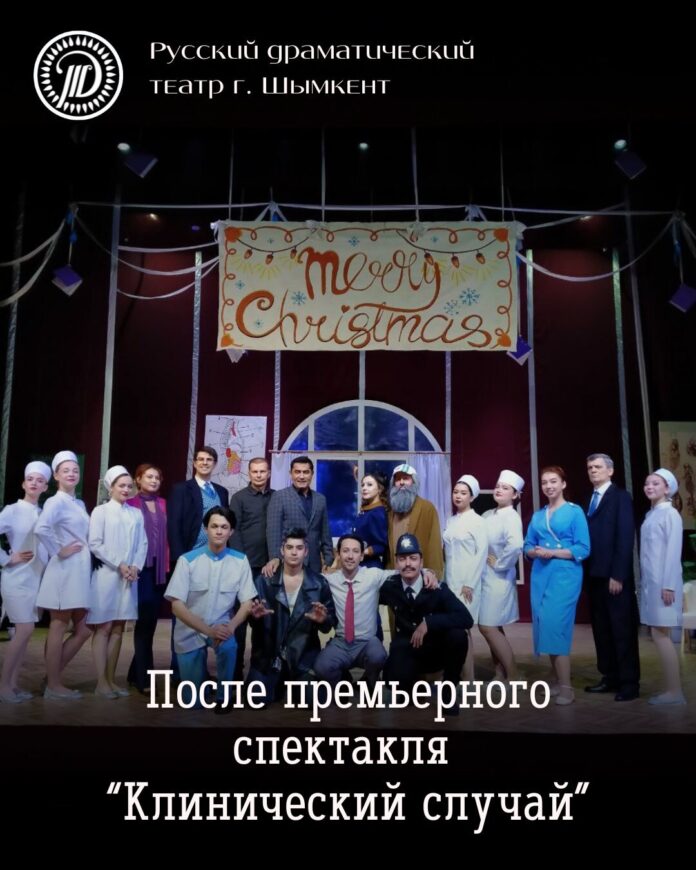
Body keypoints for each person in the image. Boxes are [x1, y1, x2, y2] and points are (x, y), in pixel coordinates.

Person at [314, 534, 439, 688]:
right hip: (341, 641)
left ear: (362, 556)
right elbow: (307, 577)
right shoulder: (330, 580)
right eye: (345, 551)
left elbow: (403, 571)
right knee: (321, 667)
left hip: (367, 641)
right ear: (338, 554)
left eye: (355, 551)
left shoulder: (373, 575)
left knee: (378, 656)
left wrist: (427, 572)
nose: (350, 556)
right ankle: (342, 682)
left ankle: (370, 682)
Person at [165, 506, 256, 712]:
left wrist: (231, 627)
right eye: (214, 526)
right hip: (189, 630)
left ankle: (224, 696)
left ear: (231, 531)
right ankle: (201, 687)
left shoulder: (240, 561)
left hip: (222, 627)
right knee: (193, 704)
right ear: (205, 529)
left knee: (229, 646)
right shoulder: (187, 560)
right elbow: (177, 607)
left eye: (224, 527)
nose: (219, 531)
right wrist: (208, 631)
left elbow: (247, 603)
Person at [379, 534, 472, 710]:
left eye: (413, 558)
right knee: (393, 679)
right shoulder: (390, 587)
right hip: (407, 647)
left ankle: (448, 690)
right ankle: (414, 684)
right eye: (402, 559)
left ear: (421, 562)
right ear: (396, 563)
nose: (408, 563)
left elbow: (466, 618)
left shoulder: (436, 588)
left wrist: (429, 622)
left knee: (458, 636)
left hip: (435, 648)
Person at [524, 466, 590, 706]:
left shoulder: (575, 512)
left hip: (565, 575)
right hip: (541, 574)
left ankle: (566, 688)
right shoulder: (538, 516)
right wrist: (535, 552)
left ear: (563, 484)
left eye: (553, 481)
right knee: (545, 624)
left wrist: (552, 552)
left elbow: (583, 548)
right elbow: (527, 545)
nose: (548, 486)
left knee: (555, 626)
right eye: (544, 482)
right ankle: (556, 679)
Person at [249, 527, 336, 704]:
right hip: (268, 657)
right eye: (289, 547)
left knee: (312, 701)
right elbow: (252, 620)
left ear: (306, 552)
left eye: (299, 548)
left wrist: (323, 620)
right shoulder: (264, 581)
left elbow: (329, 624)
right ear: (282, 550)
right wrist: (255, 617)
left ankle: (292, 683)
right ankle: (278, 682)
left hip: (302, 658)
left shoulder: (319, 583)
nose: (294, 552)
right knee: (255, 700)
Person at [35, 450, 93, 699]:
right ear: (56, 475)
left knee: (84, 628)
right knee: (58, 625)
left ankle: (51, 678)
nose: (71, 474)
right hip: (64, 570)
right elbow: (41, 528)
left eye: (75, 470)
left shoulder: (78, 503)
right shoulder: (55, 501)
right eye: (66, 470)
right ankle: (54, 685)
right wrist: (59, 550)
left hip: (79, 571)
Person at [583, 452, 640, 701]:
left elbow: (625, 537)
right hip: (594, 575)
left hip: (614, 578)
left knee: (622, 629)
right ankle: (609, 676)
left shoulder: (620, 497)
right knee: (602, 630)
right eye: (590, 468)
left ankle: (629, 683)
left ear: (610, 471)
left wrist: (618, 574)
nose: (593, 471)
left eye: (597, 467)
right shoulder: (588, 499)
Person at [87, 466, 147, 698]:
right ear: (110, 487)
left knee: (119, 628)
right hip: (107, 575)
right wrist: (120, 564)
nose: (126, 489)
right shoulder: (100, 511)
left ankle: (111, 680)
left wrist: (135, 567)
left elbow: (142, 544)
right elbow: (95, 543)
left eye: (129, 486)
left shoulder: (136, 513)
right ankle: (101, 682)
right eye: (121, 485)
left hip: (129, 578)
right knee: (103, 627)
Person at [0, 461, 51, 702]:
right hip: (16, 579)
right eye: (30, 479)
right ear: (23, 483)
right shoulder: (12, 510)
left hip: (37, 581)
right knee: (25, 629)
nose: (34, 483)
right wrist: (6, 559)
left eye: (39, 480)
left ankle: (12, 685)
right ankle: (3, 687)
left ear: (45, 487)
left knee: (24, 634)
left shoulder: (44, 514)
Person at [639, 468, 686, 706]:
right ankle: (672, 690)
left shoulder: (671, 514)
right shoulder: (651, 514)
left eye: (656, 483)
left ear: (667, 489)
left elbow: (673, 552)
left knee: (661, 635)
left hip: (664, 586)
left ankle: (675, 692)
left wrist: (668, 585)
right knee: (659, 635)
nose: (650, 487)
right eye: (647, 483)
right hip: (652, 583)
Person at [126, 463, 170, 694]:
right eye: (149, 477)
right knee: (144, 622)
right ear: (138, 479)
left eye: (157, 477)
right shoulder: (130, 504)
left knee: (150, 622)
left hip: (161, 569)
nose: (153, 481)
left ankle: (135, 673)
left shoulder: (164, 504)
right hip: (140, 569)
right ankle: (144, 679)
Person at [229, 456, 273, 679]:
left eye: (262, 471)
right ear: (249, 473)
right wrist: (241, 562)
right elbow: (233, 531)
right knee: (239, 624)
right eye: (255, 471)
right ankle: (235, 673)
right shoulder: (239, 498)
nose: (258, 475)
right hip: (244, 570)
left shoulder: (276, 497)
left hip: (268, 571)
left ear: (268, 473)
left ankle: (258, 674)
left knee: (263, 624)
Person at [479, 469, 525, 681]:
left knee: (487, 626)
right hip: (485, 577)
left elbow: (515, 546)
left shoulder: (511, 517)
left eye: (505, 488)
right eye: (498, 486)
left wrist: (499, 564)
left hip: (499, 578)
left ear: (515, 495)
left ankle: (514, 675)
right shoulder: (488, 514)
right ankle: (500, 672)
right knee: (494, 625)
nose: (499, 490)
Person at [442, 474, 488, 680]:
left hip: (467, 583)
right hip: (450, 581)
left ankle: (469, 679)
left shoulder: (478, 522)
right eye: (455, 492)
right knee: (451, 630)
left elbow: (481, 554)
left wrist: (470, 583)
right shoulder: (451, 520)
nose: (458, 496)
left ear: (472, 497)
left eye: (463, 493)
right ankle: (456, 675)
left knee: (462, 629)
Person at [264, 456, 333, 576]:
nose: (301, 476)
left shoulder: (320, 499)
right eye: (297, 472)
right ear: (291, 473)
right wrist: (275, 557)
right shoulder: (279, 496)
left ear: (312, 474)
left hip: (314, 563)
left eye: (306, 472)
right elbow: (273, 531)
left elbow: (325, 532)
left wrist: (328, 558)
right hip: (288, 561)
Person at [167, 445, 229, 564]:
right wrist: (180, 558)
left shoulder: (222, 492)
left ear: (215, 464)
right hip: (190, 555)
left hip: (217, 554)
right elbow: (173, 526)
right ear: (195, 463)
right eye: (201, 459)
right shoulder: (181, 489)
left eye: (209, 459)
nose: (205, 463)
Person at [386, 464, 443, 579]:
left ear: (414, 482)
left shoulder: (427, 508)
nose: (401, 482)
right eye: (398, 479)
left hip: (421, 575)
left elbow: (434, 544)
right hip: (395, 575)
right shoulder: (390, 512)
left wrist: (433, 573)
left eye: (406, 478)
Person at [353, 472, 389, 568]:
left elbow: (381, 545)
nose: (364, 488)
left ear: (379, 489)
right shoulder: (367, 511)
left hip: (370, 566)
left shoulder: (378, 513)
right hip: (359, 564)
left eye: (369, 485)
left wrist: (362, 552)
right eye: (363, 485)